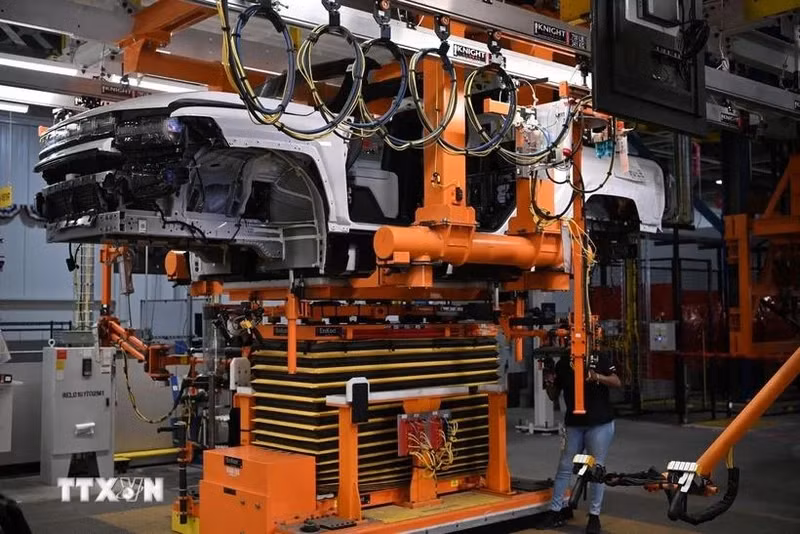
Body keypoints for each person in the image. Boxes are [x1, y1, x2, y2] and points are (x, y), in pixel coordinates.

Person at [537, 351, 621, 533]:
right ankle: (555, 511)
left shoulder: (599, 357)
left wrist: (596, 376)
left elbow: (616, 381)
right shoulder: (564, 363)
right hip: (574, 425)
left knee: (596, 470)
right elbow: (553, 395)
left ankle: (594, 516)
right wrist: (548, 380)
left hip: (599, 424)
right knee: (564, 467)